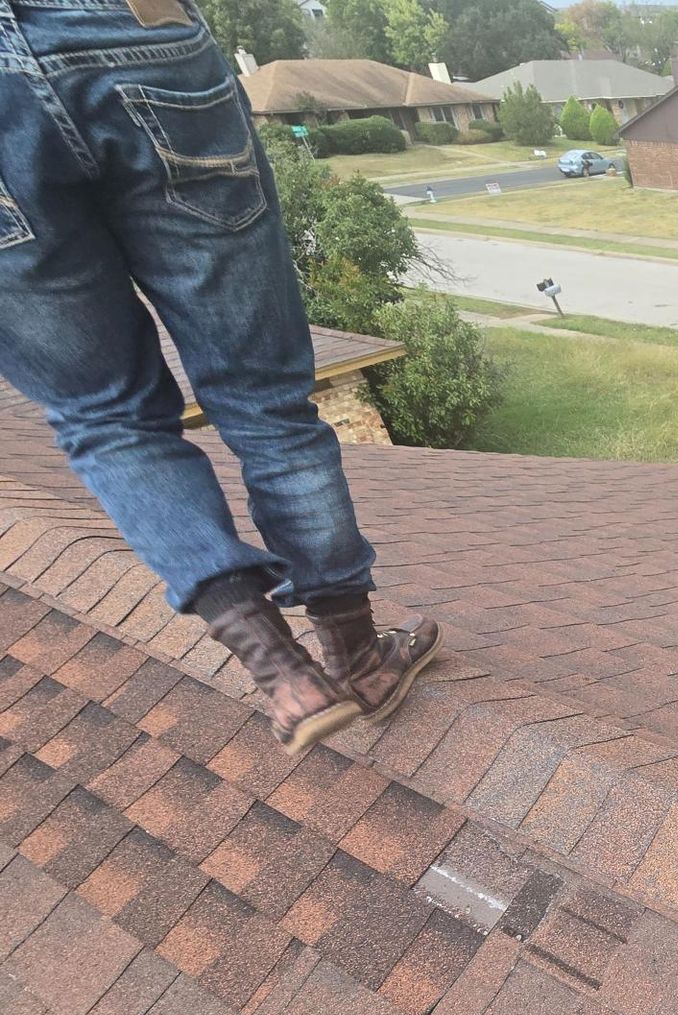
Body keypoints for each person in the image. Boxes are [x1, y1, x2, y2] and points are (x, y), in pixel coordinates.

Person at [0, 0, 439, 754]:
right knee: (266, 402)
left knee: (107, 417)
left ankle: (287, 678)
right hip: (127, 35)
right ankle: (359, 658)